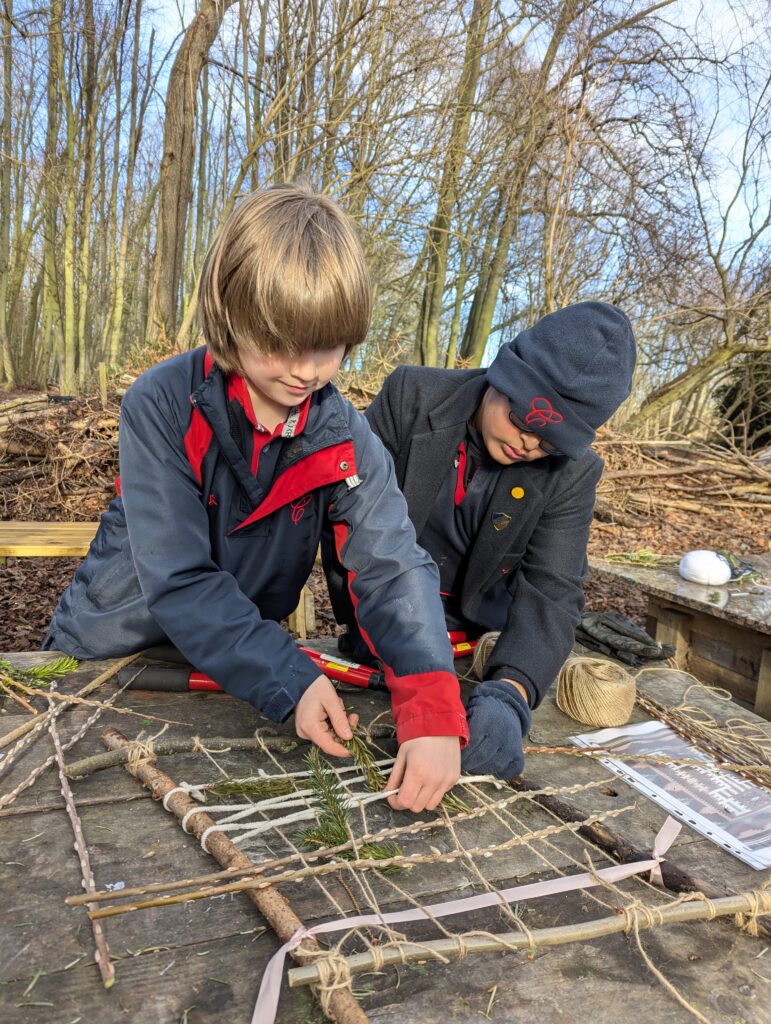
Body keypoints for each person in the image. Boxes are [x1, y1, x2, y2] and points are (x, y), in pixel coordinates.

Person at [42, 180, 468, 813]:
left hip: (234, 670)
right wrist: (292, 676)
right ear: (231, 318)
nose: (305, 370)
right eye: (280, 343)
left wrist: (432, 707)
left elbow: (392, 568)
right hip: (111, 657)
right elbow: (181, 577)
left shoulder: (346, 436)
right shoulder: (161, 403)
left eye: (327, 346)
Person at [325, 302, 637, 779]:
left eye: (550, 441)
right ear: (503, 375)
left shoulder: (573, 473)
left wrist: (512, 690)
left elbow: (552, 588)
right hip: (378, 631)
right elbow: (354, 525)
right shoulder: (412, 398)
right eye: (524, 422)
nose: (530, 444)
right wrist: (398, 651)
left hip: (480, 655)